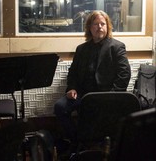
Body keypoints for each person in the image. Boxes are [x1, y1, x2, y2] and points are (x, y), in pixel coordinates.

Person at [54, 10, 131, 148]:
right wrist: (71, 88)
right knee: (60, 107)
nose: (100, 27)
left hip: (105, 94)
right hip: (82, 93)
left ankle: (92, 144)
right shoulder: (81, 49)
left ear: (107, 27)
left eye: (103, 24)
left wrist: (113, 95)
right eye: (96, 24)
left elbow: (124, 74)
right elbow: (73, 72)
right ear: (90, 27)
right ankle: (77, 140)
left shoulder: (117, 47)